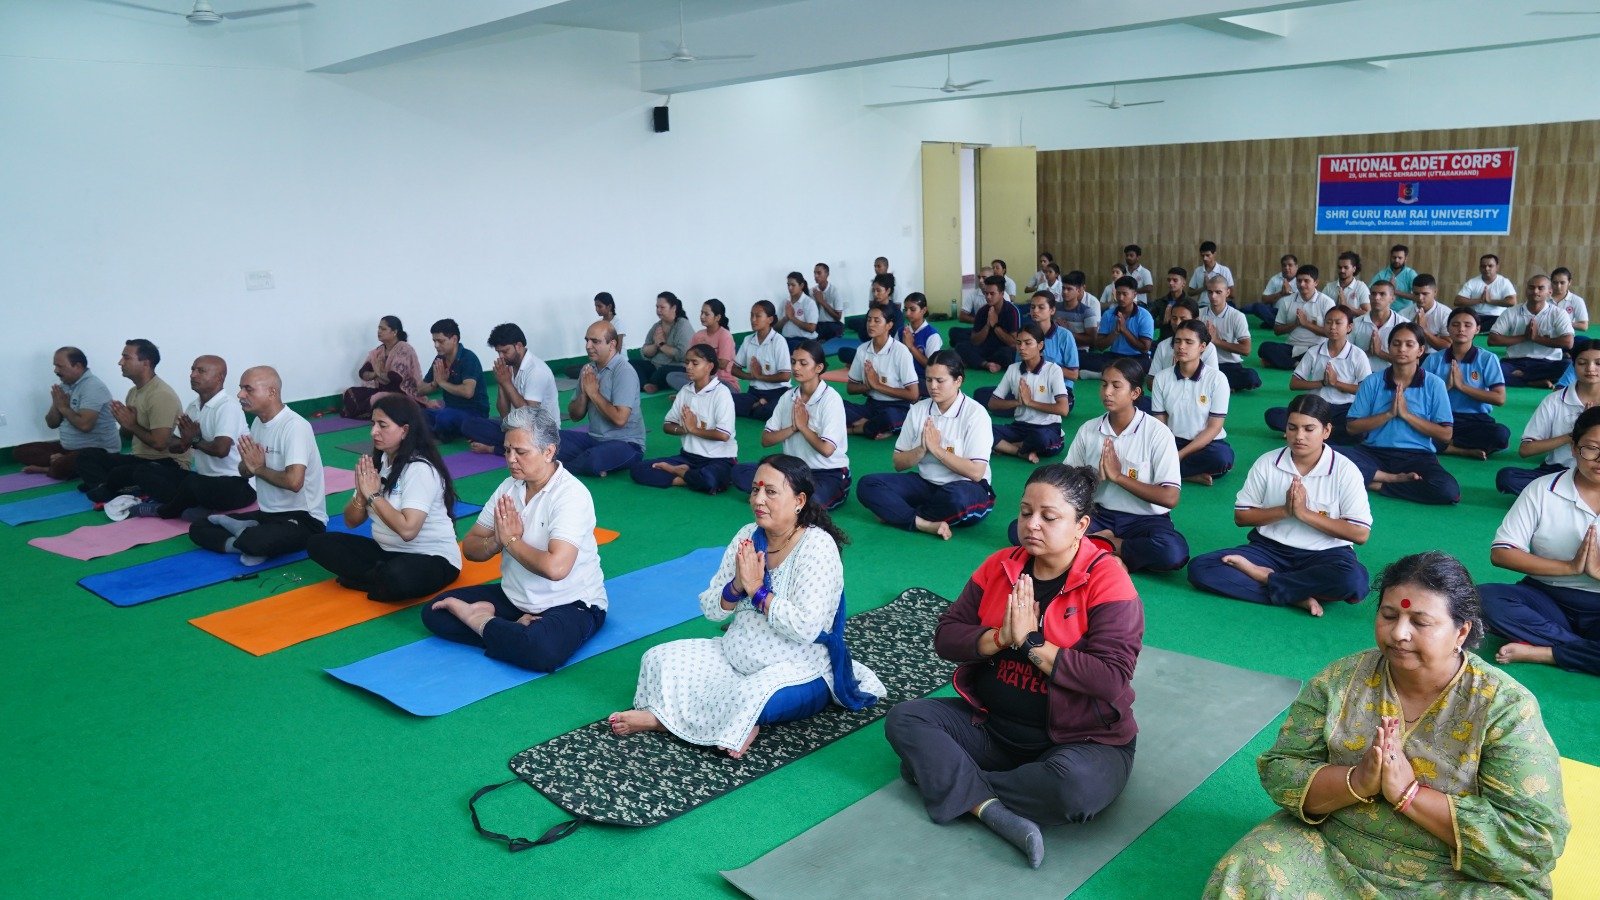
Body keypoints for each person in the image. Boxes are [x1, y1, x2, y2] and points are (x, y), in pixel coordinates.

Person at [1205, 551, 1570, 899]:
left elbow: (1533, 839)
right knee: (1249, 871)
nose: (1398, 633)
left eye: (1420, 622)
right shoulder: (1340, 680)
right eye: (1389, 615)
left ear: (1461, 632)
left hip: (1452, 875)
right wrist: (1356, 781)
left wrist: (1409, 794)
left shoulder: (1504, 707)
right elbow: (1282, 770)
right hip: (1334, 850)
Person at [884, 464, 1141, 870]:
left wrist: (1031, 642)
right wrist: (1001, 638)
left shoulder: (1107, 581)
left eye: (1048, 516)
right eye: (1025, 512)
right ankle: (989, 808)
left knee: (1073, 789)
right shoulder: (1001, 566)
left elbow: (1110, 679)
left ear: (1081, 526)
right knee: (906, 718)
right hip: (994, 729)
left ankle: (945, 776)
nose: (1032, 524)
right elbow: (947, 636)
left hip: (1083, 741)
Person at [609, 454, 884, 757]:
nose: (758, 499)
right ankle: (731, 722)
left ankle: (666, 720)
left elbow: (806, 628)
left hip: (798, 667)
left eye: (771, 492)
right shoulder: (747, 536)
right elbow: (711, 609)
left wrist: (757, 591)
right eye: (755, 489)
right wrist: (737, 586)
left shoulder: (817, 547)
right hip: (733, 654)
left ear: (799, 500)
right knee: (657, 659)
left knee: (751, 694)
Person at [423, 405, 607, 672]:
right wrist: (496, 541)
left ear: (548, 452)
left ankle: (482, 623)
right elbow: (471, 547)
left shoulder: (571, 496)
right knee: (436, 611)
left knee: (541, 650)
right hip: (514, 599)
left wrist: (511, 541)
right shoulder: (508, 487)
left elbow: (556, 568)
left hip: (570, 603)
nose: (511, 459)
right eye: (507, 450)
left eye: (521, 452)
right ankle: (510, 631)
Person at [1187, 395, 1372, 616]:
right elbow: (1242, 517)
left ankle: (1267, 579)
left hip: (1325, 554)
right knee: (1201, 568)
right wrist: (1285, 511)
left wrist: (1304, 513)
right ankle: (1296, 595)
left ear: (1326, 431)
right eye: (1292, 428)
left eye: (1309, 429)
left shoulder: (1345, 471)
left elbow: (1360, 533)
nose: (1299, 436)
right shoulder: (1267, 462)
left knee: (1354, 580)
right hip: (1269, 550)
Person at [1481, 406, 1600, 677]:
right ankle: (1586, 651)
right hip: (1546, 598)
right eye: (1591, 448)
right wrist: (1569, 567)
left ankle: (1546, 652)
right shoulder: (1542, 489)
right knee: (1483, 599)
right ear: (1574, 448)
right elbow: (1502, 552)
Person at [306, 396, 461, 601]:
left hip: (430, 557)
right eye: (373, 424)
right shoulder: (379, 463)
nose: (373, 432)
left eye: (382, 425)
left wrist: (374, 495)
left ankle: (374, 580)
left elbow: (408, 531)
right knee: (318, 543)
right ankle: (379, 581)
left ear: (404, 430)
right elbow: (351, 522)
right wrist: (361, 494)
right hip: (386, 552)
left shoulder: (420, 469)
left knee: (398, 576)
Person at [188, 367, 327, 564]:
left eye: (248, 389)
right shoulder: (257, 424)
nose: (240, 394)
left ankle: (247, 537)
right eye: (240, 388)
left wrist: (259, 469)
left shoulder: (294, 427)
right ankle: (244, 538)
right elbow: (245, 471)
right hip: (267, 514)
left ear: (272, 392)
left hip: (305, 519)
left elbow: (294, 482)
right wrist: (248, 466)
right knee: (198, 527)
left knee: (256, 541)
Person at [1062, 357, 1189, 572]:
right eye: (1104, 384)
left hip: (1146, 520)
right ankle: (1112, 554)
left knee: (1173, 551)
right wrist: (1096, 477)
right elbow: (1066, 485)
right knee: (1029, 530)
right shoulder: (1089, 430)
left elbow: (1170, 497)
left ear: (1135, 393)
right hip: (1098, 515)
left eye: (1116, 386)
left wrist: (1119, 477)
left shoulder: (1158, 433)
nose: (1107, 392)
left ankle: (1106, 545)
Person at [856, 350, 995, 540]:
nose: (933, 386)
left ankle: (898, 514)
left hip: (967, 487)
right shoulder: (918, 410)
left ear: (958, 381)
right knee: (868, 484)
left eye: (940, 380)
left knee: (956, 498)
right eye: (929, 380)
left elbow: (976, 472)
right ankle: (922, 523)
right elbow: (898, 463)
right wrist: (922, 449)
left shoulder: (976, 414)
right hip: (926, 484)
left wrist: (936, 450)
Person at [103, 355, 255, 521]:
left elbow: (221, 450)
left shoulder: (227, 407)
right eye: (192, 370)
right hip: (204, 479)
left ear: (219, 377)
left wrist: (194, 440)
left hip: (238, 484)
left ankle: (165, 510)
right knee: (145, 471)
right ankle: (191, 506)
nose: (193, 375)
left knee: (192, 484)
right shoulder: (193, 407)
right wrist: (184, 442)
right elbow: (173, 445)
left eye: (201, 371)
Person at [1341, 323, 1460, 505]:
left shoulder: (1434, 384)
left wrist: (1406, 415)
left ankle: (1377, 484)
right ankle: (1391, 479)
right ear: (1389, 347)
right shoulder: (1372, 381)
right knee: (1325, 454)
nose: (1402, 349)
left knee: (1447, 490)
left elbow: (1445, 435)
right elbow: (1352, 427)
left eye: (1409, 344)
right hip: (1374, 453)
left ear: (1420, 350)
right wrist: (1388, 414)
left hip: (1417, 456)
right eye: (1396, 344)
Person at [731, 340, 851, 509]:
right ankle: (783, 496)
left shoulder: (831, 399)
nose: (796, 367)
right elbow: (766, 439)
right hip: (792, 472)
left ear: (818, 367)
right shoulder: (788, 397)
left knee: (812, 501)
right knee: (740, 472)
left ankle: (778, 496)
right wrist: (793, 428)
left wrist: (803, 427)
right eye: (793, 362)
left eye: (803, 363)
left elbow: (827, 449)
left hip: (826, 473)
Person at [76, 339, 187, 500]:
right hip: (140, 458)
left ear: (146, 363)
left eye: (126, 358)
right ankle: (106, 486)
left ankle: (107, 486)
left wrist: (132, 425)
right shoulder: (133, 392)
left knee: (123, 472)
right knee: (86, 455)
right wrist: (124, 423)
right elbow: (127, 436)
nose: (120, 362)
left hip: (168, 462)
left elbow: (160, 444)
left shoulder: (161, 395)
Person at [1496, 340, 1600, 495]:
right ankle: (1575, 494)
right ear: (1573, 365)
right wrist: (1573, 435)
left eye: (1598, 363)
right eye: (1582, 363)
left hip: (1596, 470)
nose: (1590, 368)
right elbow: (1526, 450)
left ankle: (1560, 496)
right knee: (1507, 477)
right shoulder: (1554, 400)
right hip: (1557, 471)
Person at [630, 344, 737, 494]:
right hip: (688, 458)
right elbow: (667, 425)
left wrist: (693, 429)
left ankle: (678, 472)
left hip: (719, 459)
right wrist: (684, 429)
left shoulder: (721, 393)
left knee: (710, 478)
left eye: (695, 363)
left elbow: (723, 435)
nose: (688, 367)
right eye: (687, 362)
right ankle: (690, 478)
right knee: (639, 469)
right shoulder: (686, 391)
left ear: (709, 366)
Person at [1263, 304, 1369, 445]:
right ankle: (1320, 433)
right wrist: (1322, 383)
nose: (1332, 327)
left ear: (1349, 327)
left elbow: (1366, 391)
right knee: (1272, 415)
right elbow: (1294, 384)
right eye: (1328, 322)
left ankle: (1312, 433)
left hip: (1345, 408)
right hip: (1316, 406)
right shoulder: (1314, 351)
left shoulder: (1358, 355)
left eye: (1338, 323)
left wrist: (1336, 383)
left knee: (1361, 431)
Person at [13, 347, 121, 481]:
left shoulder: (93, 387)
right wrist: (56, 404)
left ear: (78, 366)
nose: (56, 370)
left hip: (96, 451)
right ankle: (59, 461)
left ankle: (51, 467)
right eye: (55, 366)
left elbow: (85, 426)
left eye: (60, 366)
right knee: (20, 452)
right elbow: (52, 424)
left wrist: (64, 408)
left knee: (65, 465)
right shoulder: (64, 386)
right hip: (68, 448)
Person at [557, 321, 646, 476]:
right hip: (593, 440)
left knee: (594, 459)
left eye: (595, 341)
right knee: (550, 438)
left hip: (626, 444)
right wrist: (584, 394)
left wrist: (594, 394)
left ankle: (557, 469)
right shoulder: (588, 370)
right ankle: (587, 464)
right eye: (587, 340)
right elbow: (575, 416)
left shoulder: (624, 371)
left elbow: (620, 419)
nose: (588, 346)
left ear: (612, 344)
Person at [1152, 320, 1233, 485]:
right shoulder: (1161, 378)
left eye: (1189, 342)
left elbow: (1214, 427)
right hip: (1173, 440)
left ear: (1202, 346)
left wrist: (1178, 456)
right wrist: (1169, 450)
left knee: (1222, 457)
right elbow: (1160, 425)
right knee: (1142, 451)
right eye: (1177, 341)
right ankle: (1187, 474)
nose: (1181, 346)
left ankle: (1168, 472)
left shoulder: (1217, 379)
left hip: (1206, 443)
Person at [1422, 308, 1509, 460]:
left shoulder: (1487, 359)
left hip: (1475, 420)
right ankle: (1461, 450)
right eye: (1455, 325)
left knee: (1501, 434)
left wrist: (1462, 387)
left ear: (1477, 329)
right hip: (1440, 418)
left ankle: (1443, 444)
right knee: (1407, 427)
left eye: (1467, 325)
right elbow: (1420, 397)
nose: (1461, 329)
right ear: (1448, 328)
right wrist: (1446, 387)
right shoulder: (1434, 359)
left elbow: (1499, 398)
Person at [462, 322, 558, 456]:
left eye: (505, 351)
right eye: (498, 352)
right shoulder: (510, 366)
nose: (501, 356)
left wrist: (506, 383)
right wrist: (501, 383)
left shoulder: (536, 370)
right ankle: (508, 445)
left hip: (539, 431)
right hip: (516, 426)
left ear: (518, 346)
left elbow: (529, 415)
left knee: (532, 443)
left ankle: (494, 449)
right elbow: (504, 414)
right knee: (469, 424)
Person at [988, 324, 1072, 463]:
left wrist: (1030, 402)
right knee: (983, 429)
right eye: (1018, 343)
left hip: (1047, 428)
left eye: (1028, 343)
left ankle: (1008, 446)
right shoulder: (1013, 369)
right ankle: (1019, 451)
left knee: (1041, 439)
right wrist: (1017, 402)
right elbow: (992, 403)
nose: (1021, 347)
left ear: (1040, 345)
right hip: (1019, 427)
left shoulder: (1053, 370)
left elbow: (1063, 409)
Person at [843, 306, 919, 439]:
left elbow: (913, 395)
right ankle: (872, 426)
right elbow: (850, 388)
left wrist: (877, 385)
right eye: (869, 320)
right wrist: (868, 386)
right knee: (837, 405)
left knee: (889, 417)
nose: (871, 324)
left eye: (877, 321)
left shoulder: (900, 351)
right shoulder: (862, 350)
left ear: (889, 325)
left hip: (898, 407)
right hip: (872, 406)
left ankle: (856, 429)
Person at [1489, 275, 1575, 388]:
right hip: (1515, 362)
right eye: (1531, 287)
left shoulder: (1559, 313)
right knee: (1492, 369)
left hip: (1548, 363)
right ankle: (1532, 381)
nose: (1535, 291)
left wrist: (1536, 338)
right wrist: (1524, 337)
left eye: (1540, 288)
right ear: (1526, 290)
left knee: (1567, 365)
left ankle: (1522, 377)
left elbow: (1568, 343)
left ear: (1549, 292)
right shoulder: (1511, 312)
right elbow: (1492, 340)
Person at [418, 318, 489, 442]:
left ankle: (438, 433)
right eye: (434, 341)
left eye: (440, 341)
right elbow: (420, 390)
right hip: (449, 409)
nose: (436, 345)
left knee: (443, 418)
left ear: (454, 339)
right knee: (417, 413)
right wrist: (435, 383)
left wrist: (442, 383)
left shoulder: (468, 358)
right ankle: (439, 431)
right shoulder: (439, 359)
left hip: (474, 412)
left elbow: (468, 392)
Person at [341, 315, 423, 419]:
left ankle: (365, 412)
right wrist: (375, 373)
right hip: (381, 391)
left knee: (378, 398)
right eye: (379, 328)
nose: (379, 331)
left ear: (394, 332)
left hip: (401, 393)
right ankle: (367, 412)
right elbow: (362, 372)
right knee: (350, 392)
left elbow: (396, 378)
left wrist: (378, 373)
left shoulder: (404, 349)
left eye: (383, 329)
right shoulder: (379, 351)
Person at [1259, 264, 1334, 370]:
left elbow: (1330, 333)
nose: (1302, 284)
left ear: (1316, 282)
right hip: (1292, 347)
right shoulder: (1287, 301)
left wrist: (1306, 324)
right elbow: (1277, 330)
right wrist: (1295, 324)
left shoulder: (1327, 302)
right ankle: (1297, 365)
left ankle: (1287, 363)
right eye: (1299, 281)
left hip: (1316, 347)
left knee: (1327, 354)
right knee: (1265, 347)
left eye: (1306, 281)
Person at [1197, 275, 1260, 392]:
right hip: (1204, 364)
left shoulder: (1237, 316)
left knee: (1250, 377)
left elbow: (1246, 349)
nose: (1213, 296)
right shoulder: (1199, 314)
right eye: (1210, 292)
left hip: (1228, 365)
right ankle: (1223, 385)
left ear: (1227, 292)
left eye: (1218, 292)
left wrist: (1216, 341)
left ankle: (1216, 384)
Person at [731, 300, 792, 420]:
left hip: (778, 392)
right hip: (754, 393)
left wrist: (760, 376)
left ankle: (756, 407)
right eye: (751, 315)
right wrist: (751, 376)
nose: (753, 319)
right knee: (727, 401)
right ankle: (758, 405)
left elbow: (785, 376)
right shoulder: (748, 340)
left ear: (770, 319)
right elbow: (734, 370)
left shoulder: (778, 341)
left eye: (758, 316)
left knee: (773, 411)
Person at [1081, 276, 1154, 374]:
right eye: (1118, 293)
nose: (1120, 298)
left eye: (1125, 294)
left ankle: (1105, 373)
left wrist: (1124, 330)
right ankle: (1113, 372)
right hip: (1114, 356)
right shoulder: (1108, 314)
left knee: (1142, 365)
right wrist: (1115, 332)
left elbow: (1145, 348)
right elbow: (1100, 346)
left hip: (1137, 357)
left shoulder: (1145, 316)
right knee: (1084, 359)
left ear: (1134, 295)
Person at [666, 298, 738, 392]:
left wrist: (703, 356)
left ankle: (692, 393)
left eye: (706, 314)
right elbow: (689, 358)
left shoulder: (725, 335)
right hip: (700, 379)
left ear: (717, 317)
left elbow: (723, 364)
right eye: (701, 313)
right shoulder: (698, 336)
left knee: (721, 388)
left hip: (722, 382)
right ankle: (698, 393)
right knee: (671, 376)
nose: (702, 316)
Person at [953, 274, 1020, 373]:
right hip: (985, 347)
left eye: (992, 294)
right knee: (961, 347)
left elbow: (1013, 343)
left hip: (1002, 349)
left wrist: (995, 325)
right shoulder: (982, 311)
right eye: (986, 293)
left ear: (1001, 294)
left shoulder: (1011, 311)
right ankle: (986, 364)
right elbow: (975, 341)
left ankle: (977, 361)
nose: (988, 297)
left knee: (1010, 353)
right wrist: (987, 325)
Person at [632, 291, 694, 394]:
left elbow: (683, 355)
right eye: (657, 307)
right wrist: (656, 345)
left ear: (673, 308)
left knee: (663, 372)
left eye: (662, 307)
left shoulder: (682, 325)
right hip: (655, 365)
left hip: (676, 367)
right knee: (631, 364)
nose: (658, 310)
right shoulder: (657, 326)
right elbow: (644, 352)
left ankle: (647, 383)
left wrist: (662, 345)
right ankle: (646, 385)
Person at [1147, 299, 1218, 378]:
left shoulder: (1208, 348)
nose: (1177, 323)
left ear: (1196, 320)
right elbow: (1151, 378)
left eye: (1183, 319)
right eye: (1174, 318)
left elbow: (1212, 379)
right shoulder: (1163, 345)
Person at [564, 292, 629, 378]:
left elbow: (618, 349)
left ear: (609, 306)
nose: (596, 309)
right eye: (595, 306)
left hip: (616, 363)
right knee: (569, 369)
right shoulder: (599, 324)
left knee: (584, 372)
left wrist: (605, 364)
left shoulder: (617, 323)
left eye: (599, 306)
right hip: (601, 362)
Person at [1350, 280, 1408, 373]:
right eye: (1373, 294)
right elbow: (1348, 357)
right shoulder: (1355, 323)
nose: (1376, 298)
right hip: (1363, 376)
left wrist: (1380, 353)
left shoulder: (1404, 325)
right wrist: (1368, 352)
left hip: (1393, 376)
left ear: (1392, 298)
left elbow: (1410, 362)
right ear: (1369, 297)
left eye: (1382, 294)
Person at [1455, 253, 1518, 332]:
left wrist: (1490, 301)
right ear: (1480, 268)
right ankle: (1476, 329)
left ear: (1497, 267)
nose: (1486, 268)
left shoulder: (1504, 282)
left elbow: (1512, 302)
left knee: (1500, 322)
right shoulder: (1472, 282)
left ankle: (1476, 330)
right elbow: (1457, 301)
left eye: (1490, 266)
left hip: (1497, 317)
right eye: (1483, 266)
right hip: (1476, 316)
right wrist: (1480, 300)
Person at [846, 272, 902, 352]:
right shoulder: (873, 310)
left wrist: (878, 335)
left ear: (888, 290)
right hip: (871, 347)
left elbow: (896, 338)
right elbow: (863, 335)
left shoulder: (896, 313)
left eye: (878, 290)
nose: (875, 294)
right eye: (873, 290)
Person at [900, 292, 943, 395]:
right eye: (906, 309)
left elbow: (931, 366)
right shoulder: (901, 331)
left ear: (923, 310)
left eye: (912, 309)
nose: (907, 313)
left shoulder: (932, 335)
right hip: (902, 376)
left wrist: (911, 347)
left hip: (922, 378)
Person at [1243, 253, 1299, 328]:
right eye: (1284, 265)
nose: (1286, 268)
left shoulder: (1301, 279)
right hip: (1276, 312)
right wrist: (1281, 293)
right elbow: (1264, 300)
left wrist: (1291, 292)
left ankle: (1273, 324)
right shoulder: (1275, 279)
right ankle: (1277, 324)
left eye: (1290, 265)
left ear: (1296, 266)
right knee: (1256, 307)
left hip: (1294, 313)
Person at [1056, 270, 1100, 352]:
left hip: (1079, 351)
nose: (1065, 292)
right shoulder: (1055, 308)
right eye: (1063, 288)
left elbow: (1092, 340)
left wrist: (1067, 332)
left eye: (1069, 289)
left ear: (1078, 291)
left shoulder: (1087, 312)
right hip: (1057, 349)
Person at [1410, 274, 1453, 352]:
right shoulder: (1403, 313)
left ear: (1435, 292)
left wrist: (1424, 330)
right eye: (1416, 293)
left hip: (1437, 357)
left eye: (1425, 294)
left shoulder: (1446, 314)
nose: (1420, 298)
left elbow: (1449, 347)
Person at [778, 271, 820, 351]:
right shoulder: (784, 302)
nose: (790, 288)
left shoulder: (809, 303)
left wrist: (792, 318)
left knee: (790, 346)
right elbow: (775, 328)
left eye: (793, 285)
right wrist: (786, 318)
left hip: (805, 341)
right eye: (788, 285)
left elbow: (811, 328)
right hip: (787, 340)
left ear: (801, 286)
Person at [1370, 244, 1419, 310]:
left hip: (1406, 312)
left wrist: (1394, 291)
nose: (1396, 260)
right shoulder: (1382, 274)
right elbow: (1370, 291)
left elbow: (1417, 297)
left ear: (1405, 259)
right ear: (1390, 257)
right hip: (1385, 312)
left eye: (1400, 258)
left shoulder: (1410, 274)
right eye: (1394, 257)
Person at [1326, 250, 1372, 316]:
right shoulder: (1329, 287)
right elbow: (1321, 308)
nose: (1342, 270)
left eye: (1346, 267)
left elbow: (1368, 313)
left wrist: (1345, 306)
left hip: (1354, 323)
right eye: (1340, 267)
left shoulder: (1361, 287)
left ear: (1354, 269)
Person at [1150, 267, 1188, 339]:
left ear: (1183, 283)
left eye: (1175, 280)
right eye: (1169, 280)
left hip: (1184, 339)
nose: (1171, 283)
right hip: (1164, 340)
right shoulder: (1160, 302)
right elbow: (1148, 321)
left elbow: (1193, 325)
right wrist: (1163, 322)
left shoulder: (1189, 303)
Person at [811, 262, 846, 341]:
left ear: (827, 274)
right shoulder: (812, 291)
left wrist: (822, 302)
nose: (816, 276)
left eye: (819, 273)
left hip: (834, 324)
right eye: (814, 273)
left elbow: (838, 317)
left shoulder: (835, 291)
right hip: (818, 325)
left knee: (831, 330)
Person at [1551, 266, 1587, 331]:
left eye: (1562, 283)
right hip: (1543, 336)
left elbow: (1584, 326)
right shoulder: (1544, 299)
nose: (1558, 286)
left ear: (1569, 282)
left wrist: (1562, 323)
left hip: (1566, 336)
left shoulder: (1577, 300)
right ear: (1551, 282)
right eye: (1555, 282)